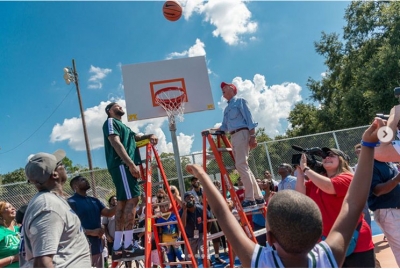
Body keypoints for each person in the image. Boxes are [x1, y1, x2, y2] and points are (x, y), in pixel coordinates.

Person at [184, 117, 383, 268]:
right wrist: (368, 145)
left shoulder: (261, 262)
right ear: (318, 235)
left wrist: (203, 175)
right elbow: (353, 204)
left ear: (269, 239)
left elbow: (222, 214)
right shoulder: (327, 257)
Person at [296, 147, 375, 267]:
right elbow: (300, 195)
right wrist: (300, 172)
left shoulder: (348, 177)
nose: (326, 157)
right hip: (328, 242)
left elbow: (329, 187)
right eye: (324, 156)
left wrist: (306, 169)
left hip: (356, 241)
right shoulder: (317, 181)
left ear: (342, 160)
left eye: (332, 155)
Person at [102, 102, 158, 259]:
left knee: (123, 203)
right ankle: (127, 244)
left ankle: (119, 246)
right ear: (109, 111)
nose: (120, 107)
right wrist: (130, 164)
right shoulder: (111, 122)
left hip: (122, 166)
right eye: (116, 106)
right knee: (133, 200)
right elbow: (115, 142)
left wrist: (148, 135)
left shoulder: (123, 126)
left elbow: (136, 136)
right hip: (122, 165)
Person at [23, 150, 91, 267]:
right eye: (60, 164)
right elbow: (42, 263)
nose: (64, 166)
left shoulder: (52, 200)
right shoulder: (48, 207)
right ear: (54, 174)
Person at [218, 82, 264, 208]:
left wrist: (253, 136)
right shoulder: (227, 108)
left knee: (241, 165)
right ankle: (258, 196)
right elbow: (224, 126)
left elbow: (249, 119)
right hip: (233, 136)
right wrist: (212, 130)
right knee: (243, 166)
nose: (222, 89)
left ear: (232, 89)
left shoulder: (240, 101)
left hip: (242, 133)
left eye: (225, 87)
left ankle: (250, 198)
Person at [67, 175, 117, 267]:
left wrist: (123, 201)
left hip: (98, 247)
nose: (86, 180)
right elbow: (68, 227)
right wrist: (90, 232)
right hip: (81, 250)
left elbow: (109, 213)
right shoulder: (70, 202)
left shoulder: (94, 200)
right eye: (82, 179)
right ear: (75, 186)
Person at [368, 158, 400, 266]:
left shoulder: (388, 162)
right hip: (388, 211)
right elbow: (377, 190)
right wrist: (397, 179)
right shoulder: (371, 165)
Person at [180, 192, 212, 267]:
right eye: (187, 198)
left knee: (204, 255)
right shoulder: (183, 210)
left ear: (194, 199)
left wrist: (206, 231)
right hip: (190, 237)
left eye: (191, 197)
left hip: (201, 234)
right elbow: (182, 225)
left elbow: (209, 218)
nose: (190, 199)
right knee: (191, 260)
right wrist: (185, 211)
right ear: (184, 200)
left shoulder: (200, 208)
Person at [156, 200, 185, 267]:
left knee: (181, 256)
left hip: (175, 238)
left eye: (165, 206)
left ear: (168, 206)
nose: (164, 208)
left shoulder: (174, 215)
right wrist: (161, 243)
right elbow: (160, 232)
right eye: (162, 206)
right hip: (165, 240)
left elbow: (178, 227)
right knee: (170, 258)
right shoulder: (159, 219)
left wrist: (179, 237)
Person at [0, 201, 20, 268]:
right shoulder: (1, 232)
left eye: (11, 206)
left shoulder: (19, 230)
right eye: (7, 208)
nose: (13, 208)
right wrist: (14, 258)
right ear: (1, 214)